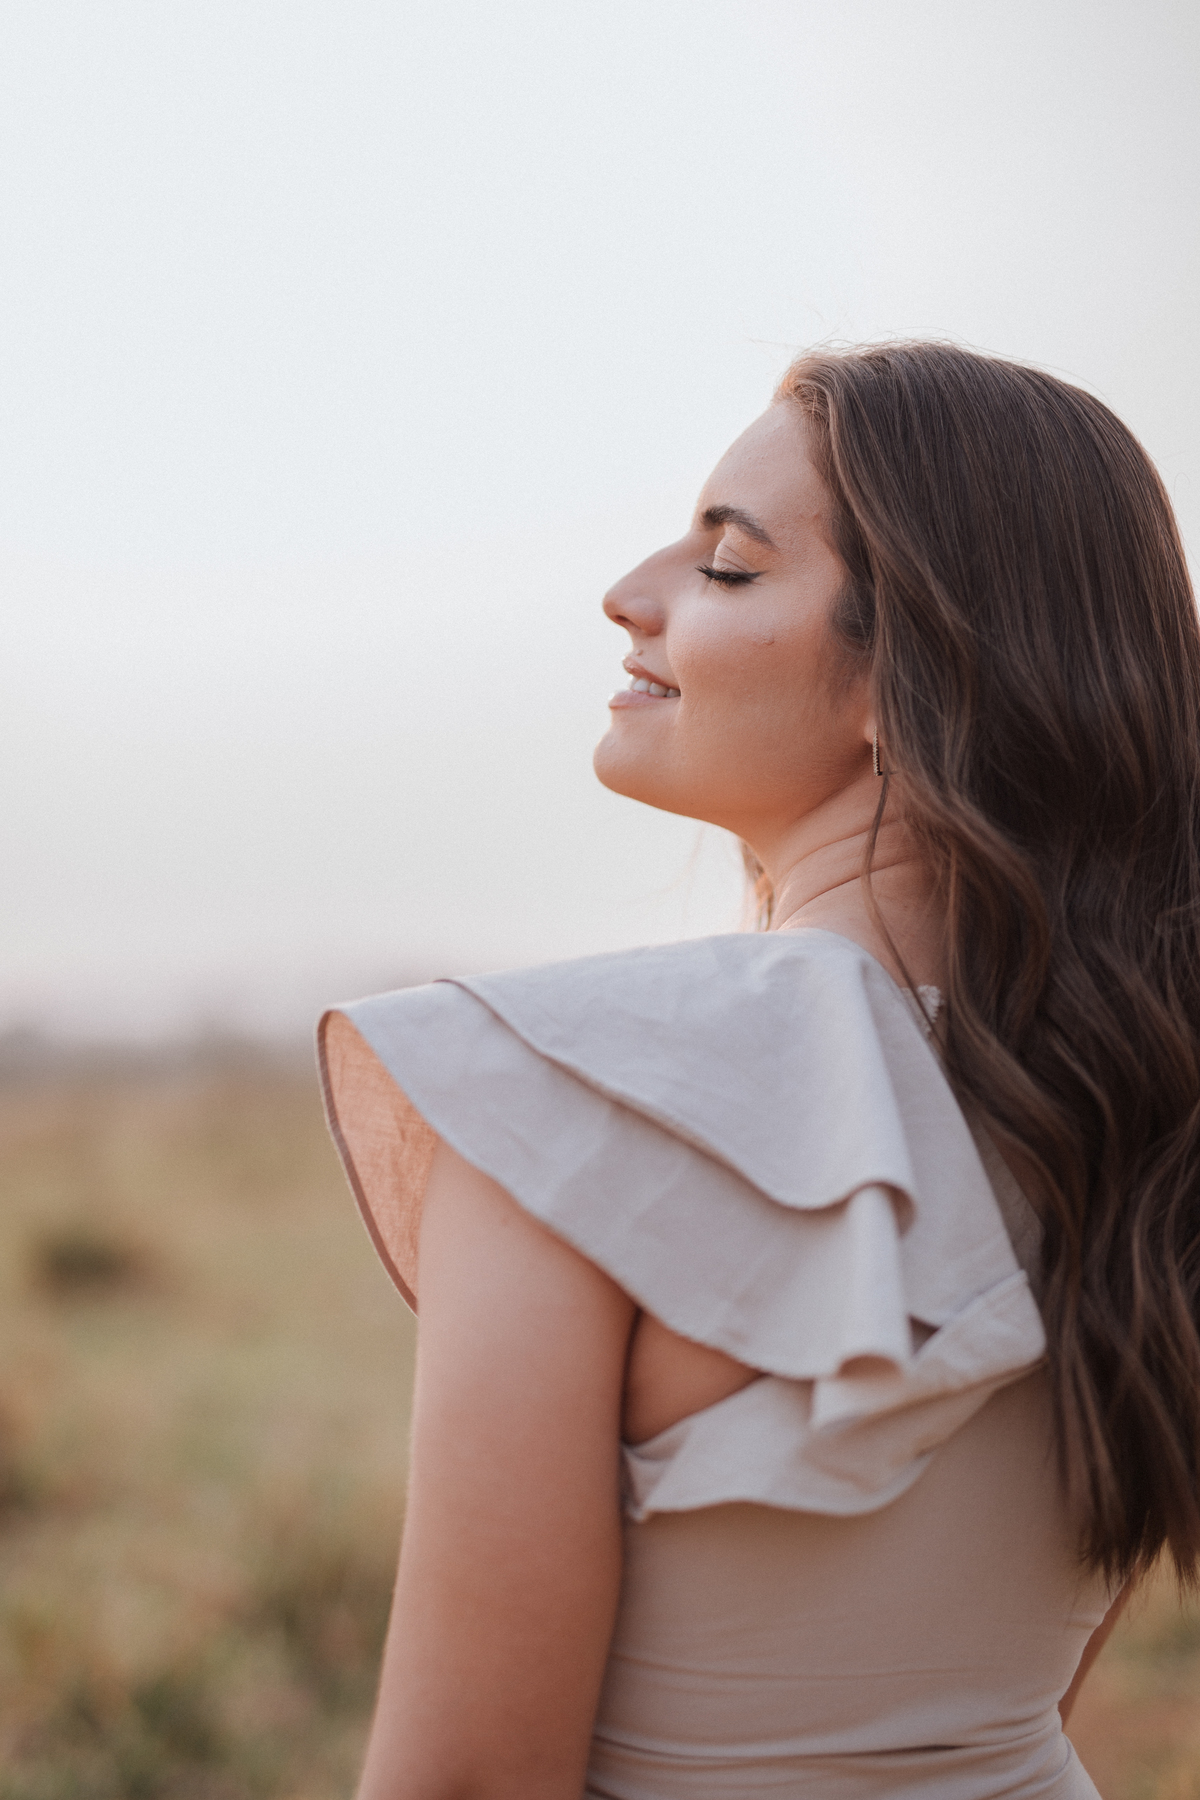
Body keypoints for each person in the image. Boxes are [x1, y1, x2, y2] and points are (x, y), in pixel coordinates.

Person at [318, 341, 1200, 1799]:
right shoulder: (1138, 1101)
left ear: (915, 676)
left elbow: (468, 1781)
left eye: (727, 568)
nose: (632, 591)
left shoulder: (569, 1098)